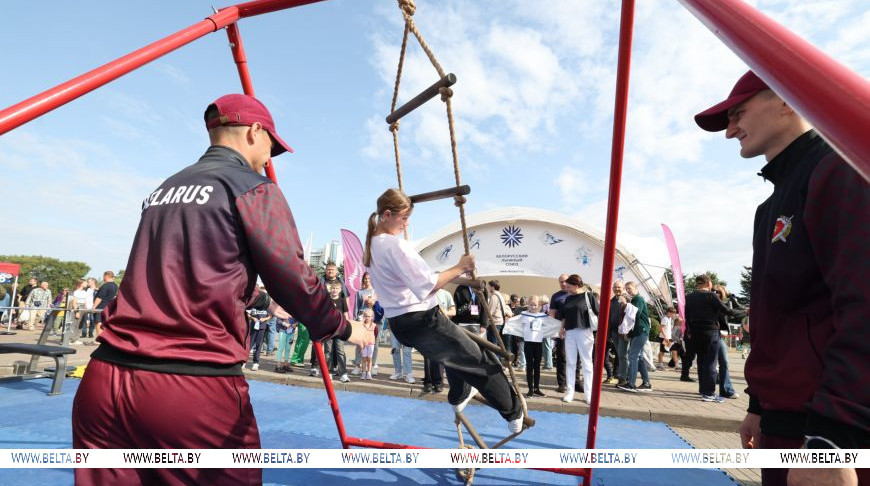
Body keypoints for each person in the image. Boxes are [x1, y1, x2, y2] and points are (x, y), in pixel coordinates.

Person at [72, 93, 362, 486]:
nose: (269, 158)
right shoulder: (252, 187)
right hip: (188, 384)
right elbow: (294, 278)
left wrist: (258, 298)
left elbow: (180, 271)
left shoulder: (164, 188)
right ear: (254, 132)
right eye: (271, 147)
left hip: (104, 379)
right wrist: (343, 326)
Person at [695, 70, 869, 486]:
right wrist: (758, 404)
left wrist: (831, 442)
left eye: (738, 113)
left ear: (788, 99)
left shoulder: (841, 172)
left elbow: (863, 308)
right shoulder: (769, 208)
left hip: (828, 433)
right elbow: (771, 318)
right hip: (782, 423)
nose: (729, 131)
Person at [364, 188, 524, 434]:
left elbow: (420, 277)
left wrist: (461, 277)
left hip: (401, 324)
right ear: (387, 215)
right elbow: (428, 285)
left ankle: (459, 394)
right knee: (481, 360)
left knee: (449, 354)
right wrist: (461, 266)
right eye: (404, 218)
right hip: (423, 320)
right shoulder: (395, 245)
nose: (406, 224)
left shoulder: (373, 245)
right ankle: (514, 413)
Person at [558, 274, 598, 404]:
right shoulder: (568, 298)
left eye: (569, 286)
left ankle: (589, 394)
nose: (567, 288)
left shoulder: (588, 296)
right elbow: (564, 316)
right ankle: (570, 392)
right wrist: (561, 328)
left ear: (576, 285)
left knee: (587, 363)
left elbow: (598, 312)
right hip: (570, 332)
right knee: (570, 362)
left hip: (585, 331)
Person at [616, 281, 652, 393]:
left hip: (640, 331)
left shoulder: (638, 299)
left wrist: (625, 303)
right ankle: (646, 383)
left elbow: (635, 313)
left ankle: (631, 384)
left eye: (629, 288)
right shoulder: (635, 299)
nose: (628, 291)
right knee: (638, 357)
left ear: (636, 288)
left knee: (633, 356)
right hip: (639, 332)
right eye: (626, 289)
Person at [423, 287, 455, 393]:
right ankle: (428, 382)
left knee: (440, 356)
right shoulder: (425, 293)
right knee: (428, 356)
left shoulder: (446, 294)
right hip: (427, 328)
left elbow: (453, 311)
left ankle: (438, 383)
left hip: (442, 329)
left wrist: (444, 312)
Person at [91, 271, 119, 340]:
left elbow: (99, 297)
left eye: (103, 276)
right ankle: (105, 339)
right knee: (105, 323)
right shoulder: (115, 286)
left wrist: (94, 307)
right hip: (108, 307)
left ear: (106, 276)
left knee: (99, 322)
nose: (103, 278)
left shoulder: (105, 285)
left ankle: (99, 339)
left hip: (100, 307)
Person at [359, 308, 377, 380]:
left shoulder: (374, 325)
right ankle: (363, 372)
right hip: (363, 344)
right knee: (364, 358)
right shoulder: (361, 325)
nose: (367, 318)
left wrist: (372, 341)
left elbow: (376, 334)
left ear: (372, 317)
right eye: (366, 316)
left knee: (369, 358)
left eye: (369, 316)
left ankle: (369, 372)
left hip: (371, 344)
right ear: (364, 317)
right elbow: (359, 334)